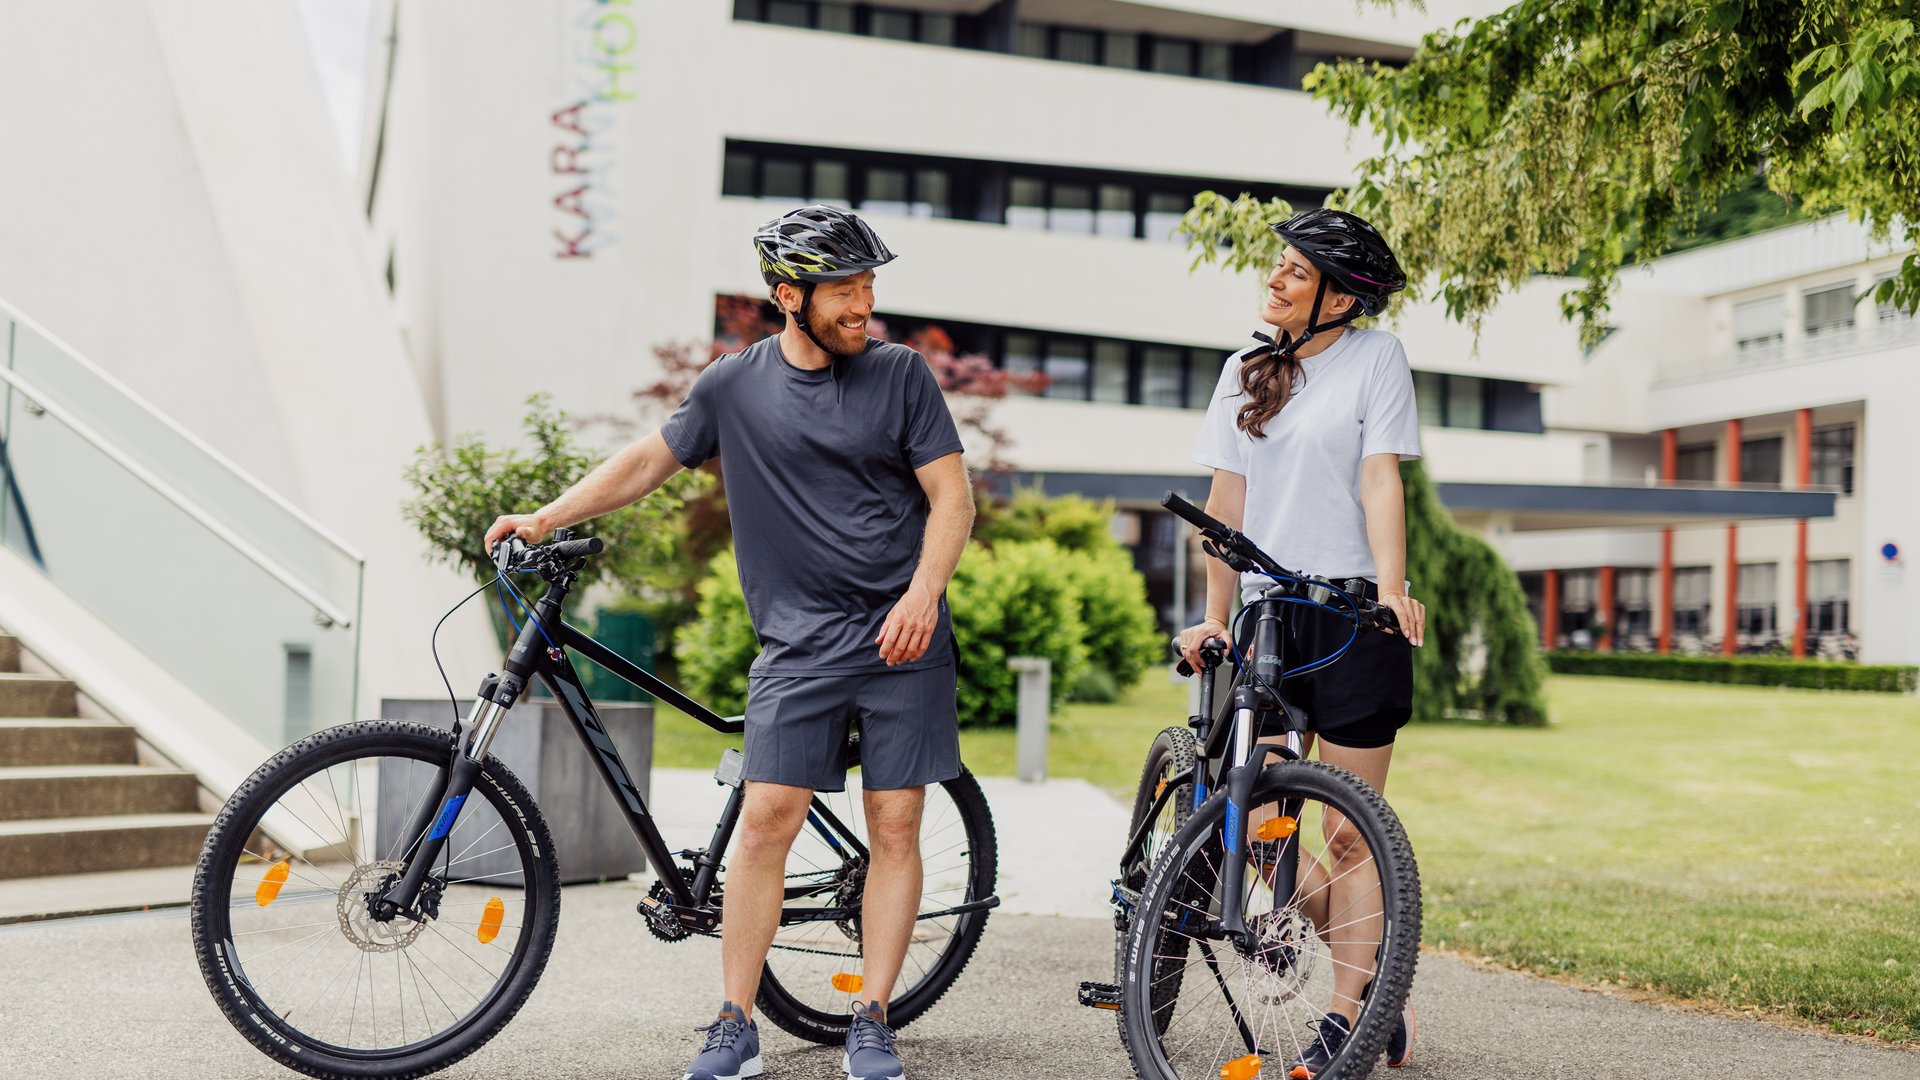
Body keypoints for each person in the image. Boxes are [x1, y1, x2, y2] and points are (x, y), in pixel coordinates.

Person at [484, 205, 973, 1080]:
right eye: (845, 290)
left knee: (895, 824)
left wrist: (923, 593)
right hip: (797, 645)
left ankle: (871, 1017)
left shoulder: (901, 375)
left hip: (903, 637)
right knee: (765, 821)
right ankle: (735, 1022)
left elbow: (952, 498)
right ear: (789, 296)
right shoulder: (732, 386)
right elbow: (647, 461)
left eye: (868, 285)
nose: (864, 304)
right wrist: (546, 517)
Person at [1176, 208, 1428, 1079]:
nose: (1276, 278)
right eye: (1278, 264)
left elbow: (1380, 477)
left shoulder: (1376, 359)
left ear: (1339, 298)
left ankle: (1351, 1010)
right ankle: (1380, 973)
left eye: (1296, 270)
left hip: (1352, 618)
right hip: (1268, 618)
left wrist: (1390, 589)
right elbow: (1226, 504)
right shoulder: (1244, 370)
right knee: (1260, 825)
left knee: (1351, 837)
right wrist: (1215, 615)